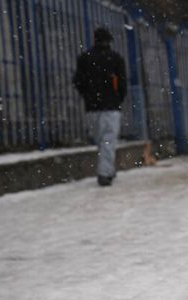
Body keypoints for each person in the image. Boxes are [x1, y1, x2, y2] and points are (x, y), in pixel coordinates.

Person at [73, 27, 127, 187]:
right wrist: (117, 98)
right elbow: (122, 84)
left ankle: (108, 169)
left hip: (92, 107)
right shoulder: (116, 58)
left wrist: (88, 96)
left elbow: (78, 82)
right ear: (109, 41)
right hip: (111, 106)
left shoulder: (84, 58)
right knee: (108, 140)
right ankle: (105, 173)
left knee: (100, 140)